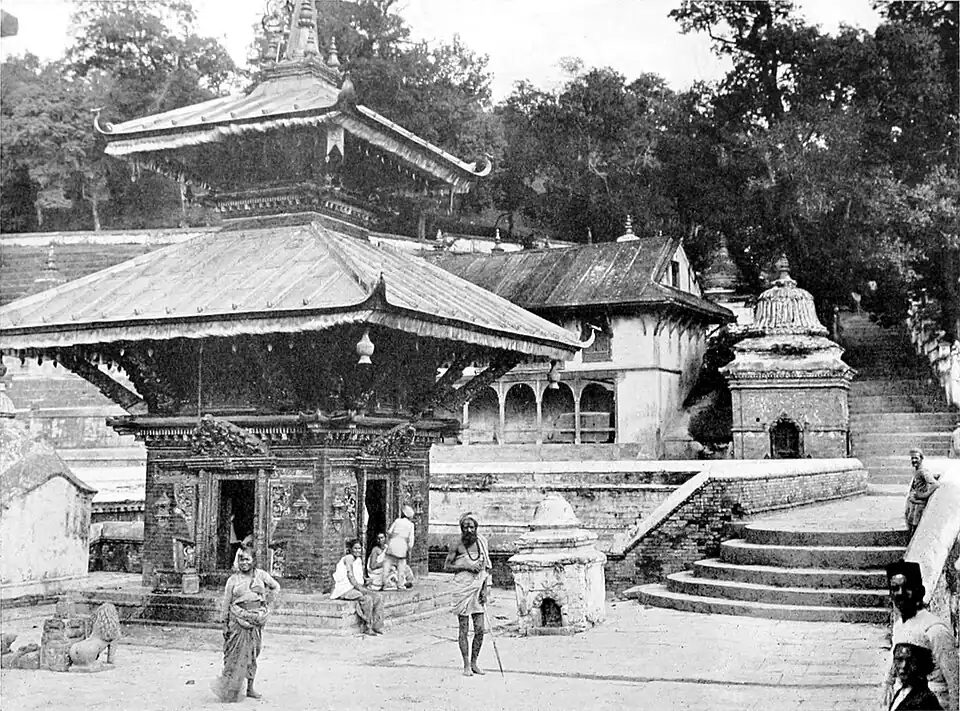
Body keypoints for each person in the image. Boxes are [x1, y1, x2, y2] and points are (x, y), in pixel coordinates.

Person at [882, 561, 958, 711]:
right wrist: (888, 684)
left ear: (920, 591)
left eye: (907, 587)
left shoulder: (935, 630)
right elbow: (894, 665)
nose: (900, 593)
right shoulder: (899, 626)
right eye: (895, 588)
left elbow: (956, 684)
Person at [211, 547, 280, 703]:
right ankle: (230, 689)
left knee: (252, 654)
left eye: (247, 559)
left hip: (255, 621)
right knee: (233, 656)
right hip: (237, 620)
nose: (244, 562)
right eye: (241, 559)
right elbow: (226, 603)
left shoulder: (261, 575)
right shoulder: (233, 580)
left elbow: (276, 586)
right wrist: (224, 623)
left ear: (253, 561)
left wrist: (267, 605)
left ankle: (250, 688)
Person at [443, 511, 492, 677]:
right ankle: (465, 665)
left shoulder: (482, 542)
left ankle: (474, 662)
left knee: (480, 629)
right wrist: (466, 567)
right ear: (461, 528)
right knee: (463, 629)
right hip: (462, 589)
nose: (469, 530)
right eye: (465, 527)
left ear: (476, 527)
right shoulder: (456, 544)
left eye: (471, 526)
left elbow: (485, 568)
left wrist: (484, 589)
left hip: (478, 589)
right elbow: (447, 566)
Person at [331, 538, 384, 636]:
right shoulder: (349, 558)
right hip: (345, 589)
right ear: (350, 549)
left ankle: (376, 626)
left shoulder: (358, 560)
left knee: (378, 597)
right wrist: (361, 589)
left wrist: (366, 580)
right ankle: (367, 626)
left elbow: (359, 576)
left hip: (355, 587)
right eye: (355, 548)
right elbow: (350, 576)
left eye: (359, 549)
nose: (357, 551)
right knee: (367, 599)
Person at [889, 642, 943, 710]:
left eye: (910, 661)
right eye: (899, 660)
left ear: (919, 664)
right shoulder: (901, 693)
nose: (904, 666)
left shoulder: (926, 700)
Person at [905, 449, 940, 538]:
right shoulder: (917, 470)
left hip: (919, 506)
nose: (914, 460)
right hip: (913, 504)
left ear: (921, 458)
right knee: (911, 527)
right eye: (912, 458)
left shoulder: (923, 471)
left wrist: (924, 495)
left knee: (916, 529)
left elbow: (935, 484)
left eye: (916, 458)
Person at [382, 505, 416, 592]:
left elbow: (389, 532)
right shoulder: (410, 525)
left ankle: (385, 584)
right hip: (402, 545)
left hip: (393, 543)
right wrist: (409, 548)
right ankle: (400, 585)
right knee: (401, 566)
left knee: (387, 564)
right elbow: (411, 540)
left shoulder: (397, 521)